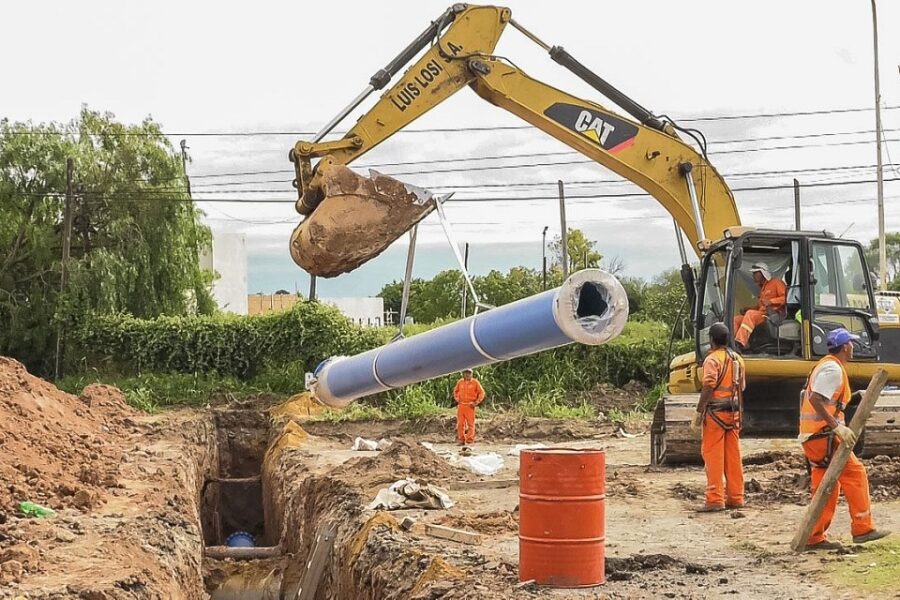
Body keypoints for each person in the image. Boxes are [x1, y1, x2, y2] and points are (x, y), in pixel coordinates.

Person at [799, 328, 890, 550]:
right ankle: (863, 528)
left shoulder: (827, 365)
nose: (852, 347)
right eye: (850, 343)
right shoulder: (833, 370)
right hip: (824, 436)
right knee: (855, 474)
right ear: (845, 347)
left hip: (813, 437)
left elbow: (819, 398)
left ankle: (814, 536)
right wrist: (836, 427)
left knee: (825, 488)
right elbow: (817, 398)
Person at [691, 322, 746, 512]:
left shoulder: (712, 360)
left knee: (713, 456)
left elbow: (708, 386)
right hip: (734, 415)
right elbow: (741, 388)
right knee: (733, 457)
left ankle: (715, 499)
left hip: (715, 415)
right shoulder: (737, 359)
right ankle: (736, 497)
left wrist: (699, 411)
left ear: (711, 340)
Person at [733, 262, 787, 352]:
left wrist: (771, 301)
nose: (753, 275)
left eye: (755, 273)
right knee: (736, 319)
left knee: (750, 314)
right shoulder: (762, 288)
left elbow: (785, 299)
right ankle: (734, 343)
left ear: (762, 273)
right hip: (761, 314)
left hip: (771, 315)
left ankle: (740, 343)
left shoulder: (776, 282)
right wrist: (748, 309)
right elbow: (759, 307)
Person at [453, 368, 485, 446]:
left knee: (471, 424)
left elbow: (482, 393)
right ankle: (461, 440)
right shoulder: (460, 382)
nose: (467, 374)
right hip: (461, 406)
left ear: (472, 374)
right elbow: (455, 391)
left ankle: (469, 441)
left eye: (469, 373)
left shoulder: (475, 382)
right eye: (465, 372)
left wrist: (476, 402)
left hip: (470, 406)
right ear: (463, 373)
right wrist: (457, 399)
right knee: (460, 424)